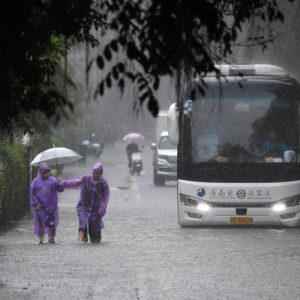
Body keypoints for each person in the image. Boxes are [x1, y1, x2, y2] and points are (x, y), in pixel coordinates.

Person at [62, 162, 110, 243]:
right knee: (83, 222)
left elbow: (106, 196)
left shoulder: (103, 183)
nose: (96, 174)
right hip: (83, 206)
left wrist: (102, 208)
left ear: (101, 173)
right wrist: (63, 183)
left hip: (95, 209)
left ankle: (95, 240)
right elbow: (74, 183)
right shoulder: (85, 179)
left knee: (95, 227)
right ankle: (82, 241)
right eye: (95, 172)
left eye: (98, 173)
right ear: (92, 171)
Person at [30, 163, 64, 244]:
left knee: (52, 222)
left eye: (47, 172)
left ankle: (51, 238)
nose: (46, 174)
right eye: (44, 172)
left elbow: (60, 189)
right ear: (41, 172)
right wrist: (36, 203)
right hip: (40, 206)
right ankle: (41, 239)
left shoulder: (53, 180)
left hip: (51, 205)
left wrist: (60, 183)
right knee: (41, 222)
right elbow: (32, 193)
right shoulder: (35, 181)